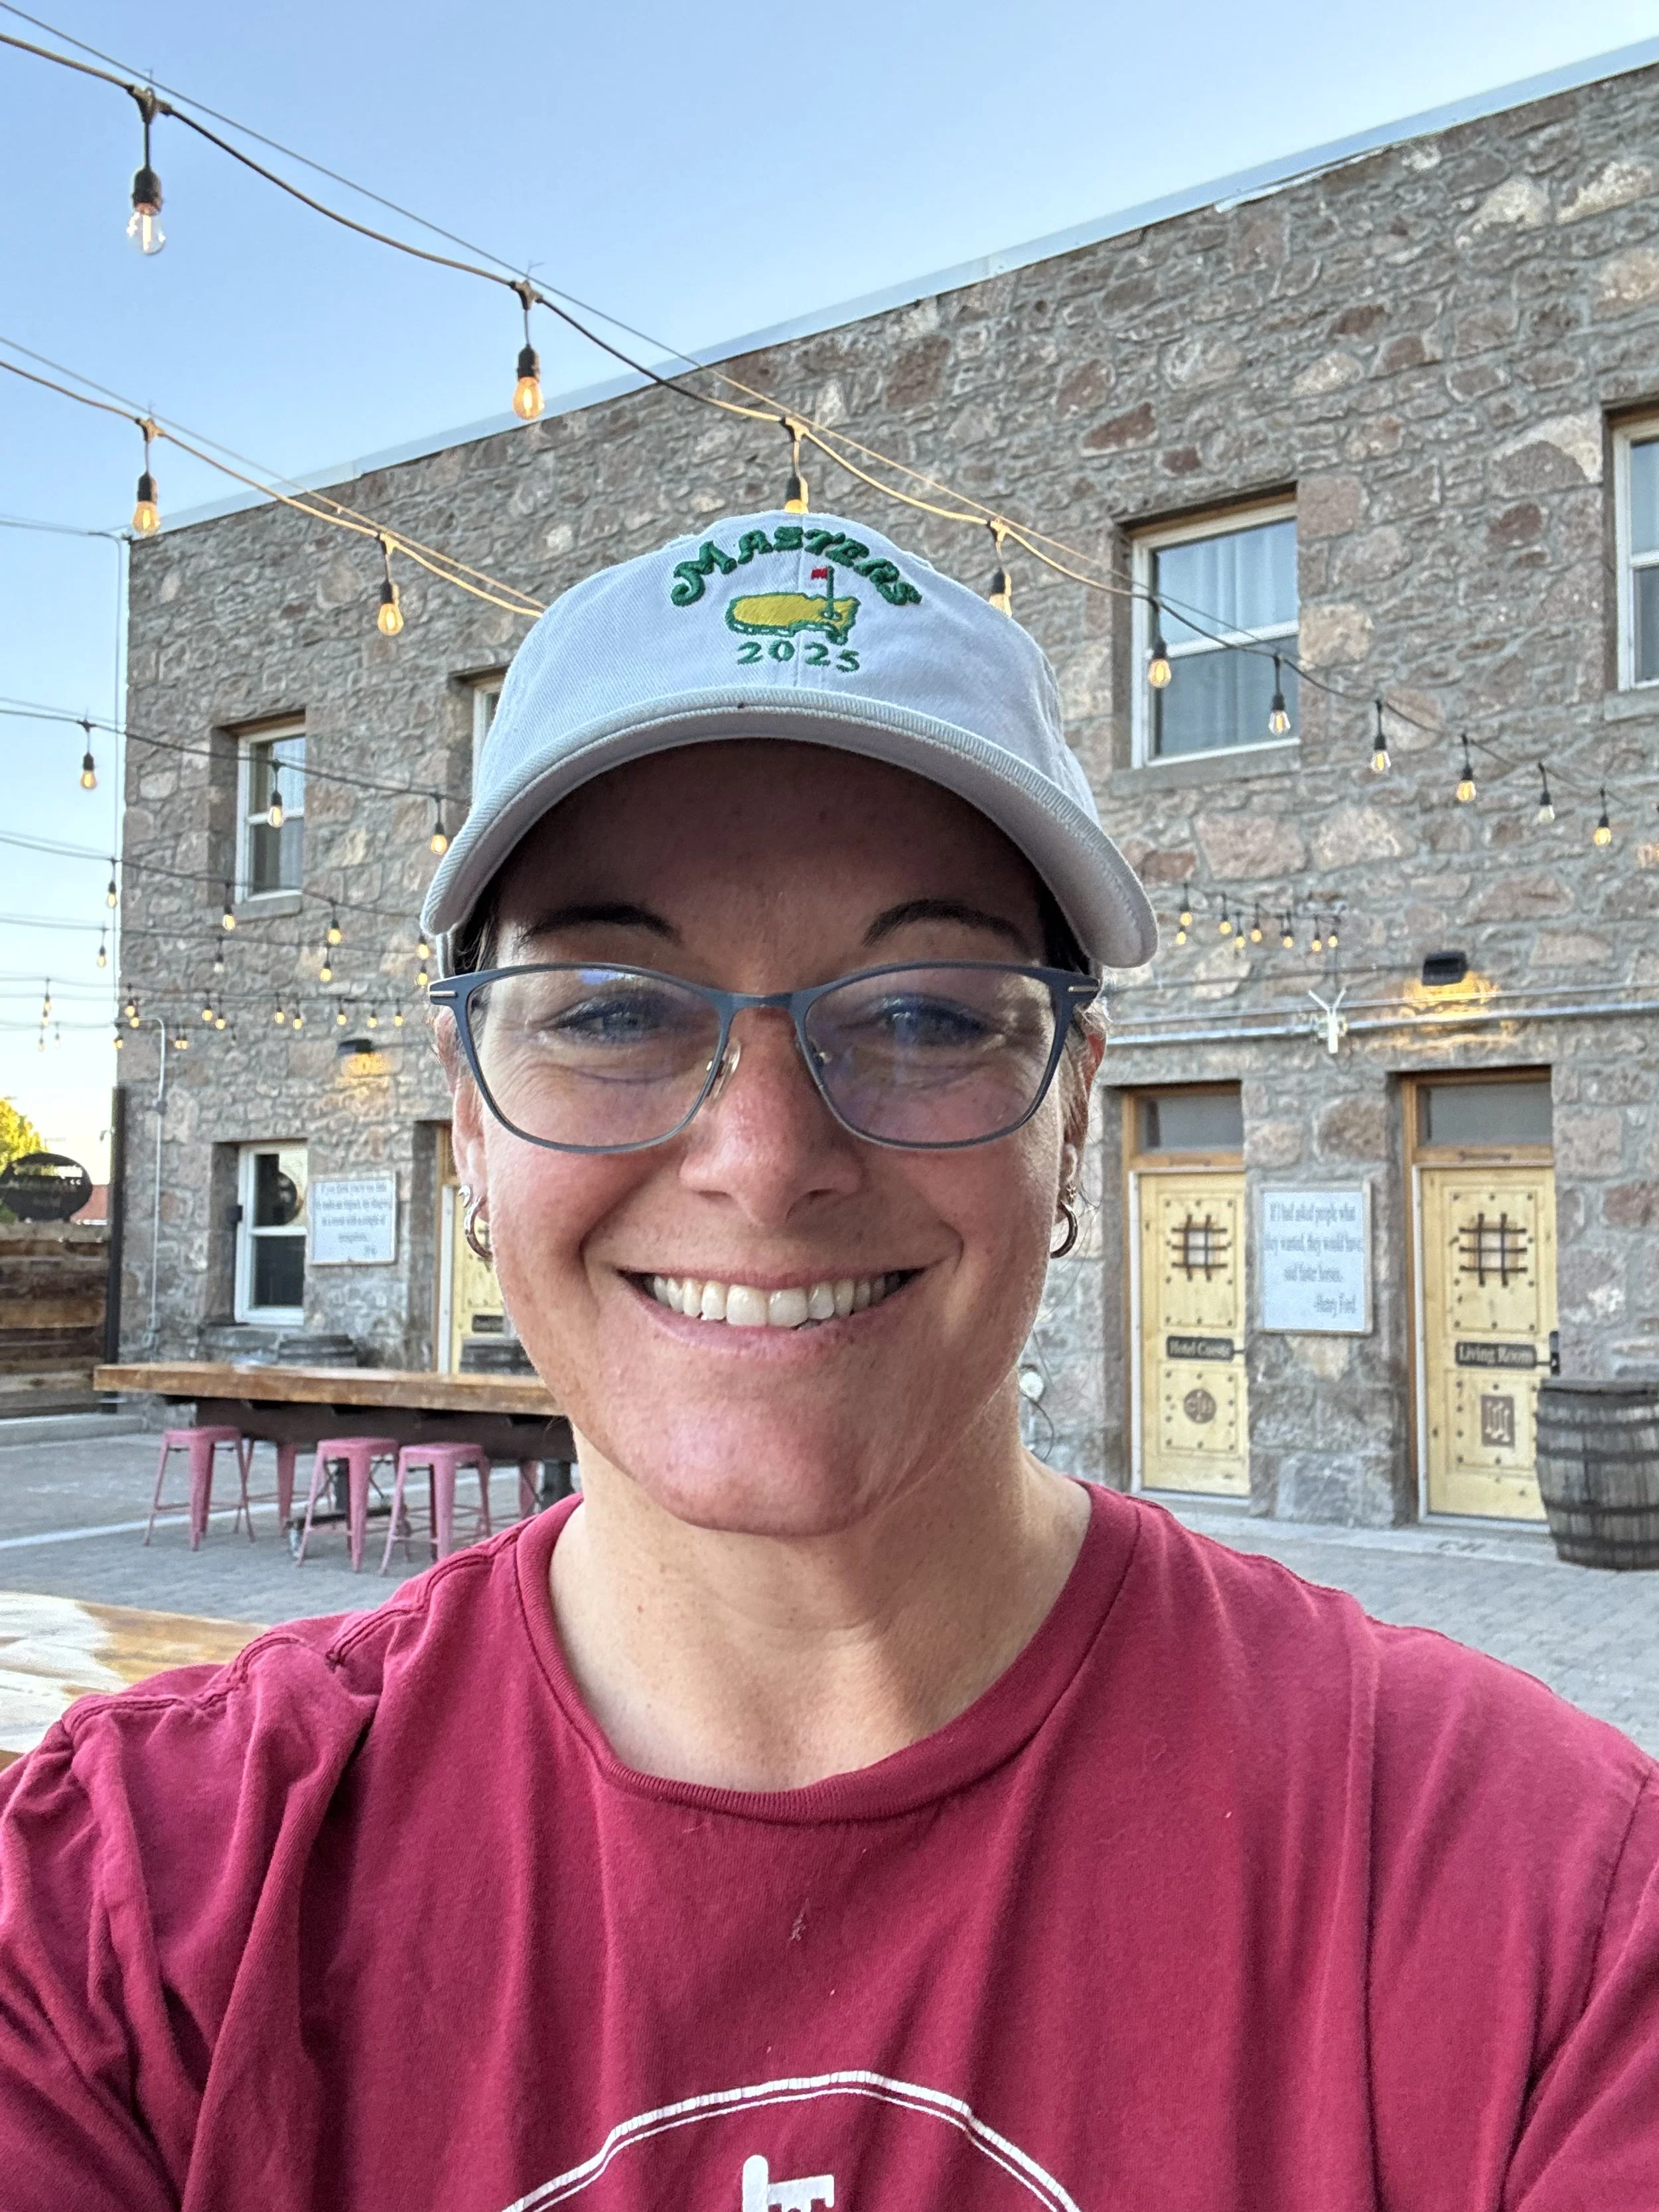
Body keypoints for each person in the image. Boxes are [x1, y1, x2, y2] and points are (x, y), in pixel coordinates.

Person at [1, 510, 1655, 2211]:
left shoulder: (1535, 1901)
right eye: (610, 1009)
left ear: (1071, 1108)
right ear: (464, 1124)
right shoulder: (132, 1912)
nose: (765, 1157)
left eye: (928, 1011)